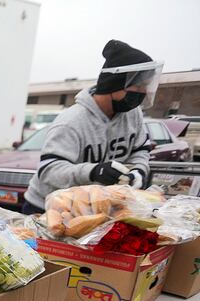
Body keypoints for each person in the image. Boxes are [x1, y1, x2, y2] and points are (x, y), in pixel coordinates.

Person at [23, 40, 163, 214]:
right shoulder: (71, 121)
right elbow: (49, 170)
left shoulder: (133, 114)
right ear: (115, 83)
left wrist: (138, 171)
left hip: (97, 207)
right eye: (138, 85)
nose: (143, 92)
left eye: (146, 86)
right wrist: (93, 172)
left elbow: (140, 150)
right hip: (49, 207)